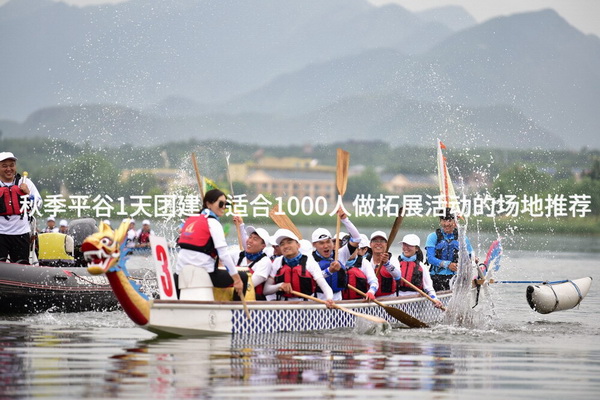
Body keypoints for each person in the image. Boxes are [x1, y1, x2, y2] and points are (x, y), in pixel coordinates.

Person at [174, 189, 247, 300]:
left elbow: (180, 230)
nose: (224, 207)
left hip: (180, 273)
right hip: (204, 274)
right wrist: (237, 279)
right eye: (221, 203)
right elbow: (224, 255)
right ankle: (235, 313)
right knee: (243, 277)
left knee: (175, 277)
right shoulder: (214, 223)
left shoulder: (190, 220)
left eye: (226, 204)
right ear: (208, 204)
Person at [263, 229, 334, 307]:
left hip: (307, 306)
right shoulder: (277, 262)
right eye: (282, 244)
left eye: (289, 242)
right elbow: (266, 290)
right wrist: (280, 286)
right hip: (284, 306)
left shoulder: (309, 261)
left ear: (298, 245)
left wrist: (329, 299)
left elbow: (325, 286)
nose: (286, 246)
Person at [311, 208, 362, 301]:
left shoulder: (340, 254)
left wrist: (345, 220)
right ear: (314, 245)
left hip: (338, 300)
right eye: (321, 243)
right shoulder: (310, 259)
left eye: (328, 242)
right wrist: (329, 270)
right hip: (317, 302)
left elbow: (357, 238)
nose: (326, 246)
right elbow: (313, 279)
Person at [0, 152, 42, 264]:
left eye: (12, 165)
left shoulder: (25, 182)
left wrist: (28, 194)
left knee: (21, 265)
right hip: (0, 233)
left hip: (21, 233)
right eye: (4, 166)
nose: (9, 169)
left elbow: (39, 204)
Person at [425, 209, 474, 291]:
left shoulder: (462, 238)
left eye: (449, 220)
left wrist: (473, 259)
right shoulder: (433, 237)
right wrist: (448, 264)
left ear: (455, 221)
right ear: (440, 221)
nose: (446, 224)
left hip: (456, 277)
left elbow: (471, 256)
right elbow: (430, 258)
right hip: (436, 277)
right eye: (443, 220)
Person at [397, 234, 443, 308]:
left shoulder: (421, 266)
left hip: (414, 302)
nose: (406, 248)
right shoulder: (395, 264)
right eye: (404, 244)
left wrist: (435, 299)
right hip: (396, 300)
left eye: (410, 245)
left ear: (417, 249)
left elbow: (429, 288)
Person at [233, 225, 273, 300]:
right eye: (250, 237)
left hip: (255, 301)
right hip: (236, 296)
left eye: (255, 239)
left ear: (263, 246)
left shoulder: (265, 261)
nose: (250, 241)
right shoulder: (239, 256)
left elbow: (250, 284)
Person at [341, 233, 378, 300]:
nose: (349, 252)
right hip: (340, 302)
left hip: (360, 302)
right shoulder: (336, 262)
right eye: (347, 249)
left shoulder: (364, 263)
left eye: (352, 249)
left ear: (357, 249)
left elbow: (374, 282)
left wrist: (371, 292)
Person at [368, 230, 402, 298]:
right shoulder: (366, 260)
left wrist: (387, 263)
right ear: (370, 244)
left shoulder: (392, 259)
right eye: (375, 241)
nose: (378, 243)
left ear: (387, 245)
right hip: (369, 298)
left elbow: (398, 277)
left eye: (382, 241)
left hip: (389, 299)